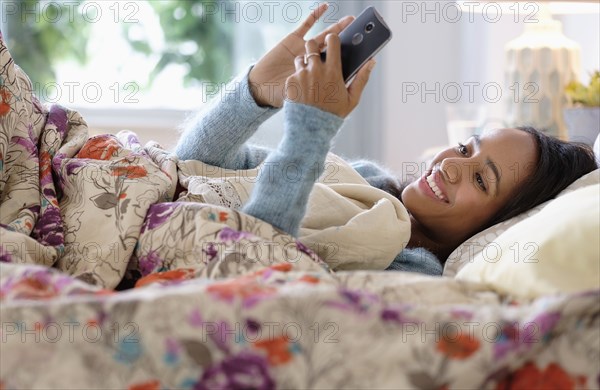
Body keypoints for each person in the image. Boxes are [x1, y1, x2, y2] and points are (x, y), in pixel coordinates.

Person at [174, 4, 598, 275]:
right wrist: (254, 93)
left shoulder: (410, 272)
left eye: (482, 180)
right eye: (468, 148)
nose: (451, 163)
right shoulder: (366, 180)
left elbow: (251, 265)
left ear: (499, 225)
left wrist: (312, 129)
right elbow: (190, 166)